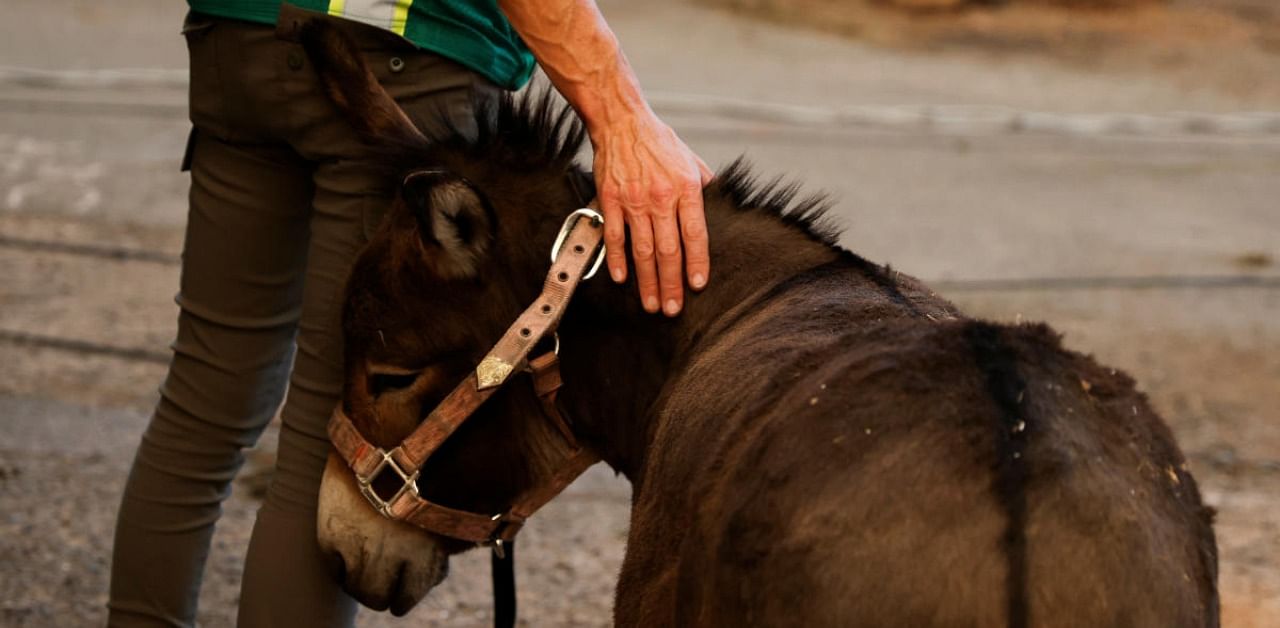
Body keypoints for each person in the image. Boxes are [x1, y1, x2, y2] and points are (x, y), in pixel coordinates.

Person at [107, 1, 710, 626]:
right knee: (333, 444)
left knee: (199, 412)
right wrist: (621, 115)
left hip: (240, 37)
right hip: (402, 53)